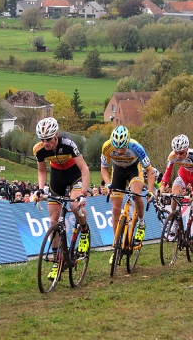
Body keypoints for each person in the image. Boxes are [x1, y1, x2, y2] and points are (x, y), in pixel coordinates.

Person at [33, 117, 90, 280]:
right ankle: (57, 261)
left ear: (56, 135)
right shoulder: (39, 150)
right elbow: (42, 171)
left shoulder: (68, 143)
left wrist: (83, 192)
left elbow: (84, 168)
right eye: (42, 139)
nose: (46, 143)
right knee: (53, 221)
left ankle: (84, 230)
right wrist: (40, 189)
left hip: (74, 175)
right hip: (57, 176)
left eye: (49, 139)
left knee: (73, 206)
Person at [101, 125, 157, 263]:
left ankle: (141, 222)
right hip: (118, 171)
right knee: (115, 209)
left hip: (134, 169)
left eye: (123, 148)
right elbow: (104, 168)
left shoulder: (137, 147)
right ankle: (117, 246)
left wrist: (150, 191)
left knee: (136, 194)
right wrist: (108, 183)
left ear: (128, 142)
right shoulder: (107, 147)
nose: (119, 151)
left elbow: (150, 171)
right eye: (117, 148)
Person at [160, 134, 193, 255]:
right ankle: (175, 218)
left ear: (187, 149)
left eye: (182, 153)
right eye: (177, 153)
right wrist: (163, 186)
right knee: (175, 192)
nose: (179, 156)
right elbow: (167, 173)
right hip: (184, 176)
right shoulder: (172, 156)